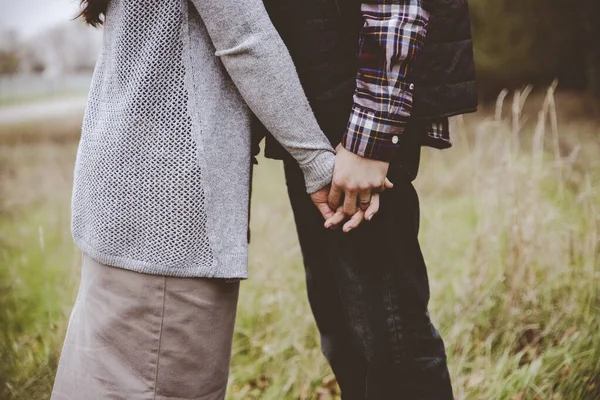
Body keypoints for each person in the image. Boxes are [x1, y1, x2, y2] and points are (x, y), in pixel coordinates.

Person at [51, 0, 380, 398]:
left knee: (100, 380)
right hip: (169, 206)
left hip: (125, 191)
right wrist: (316, 160)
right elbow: (245, 38)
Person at [255, 0, 478, 398]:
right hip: (312, 113)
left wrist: (371, 137)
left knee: (391, 344)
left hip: (354, 122)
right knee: (343, 334)